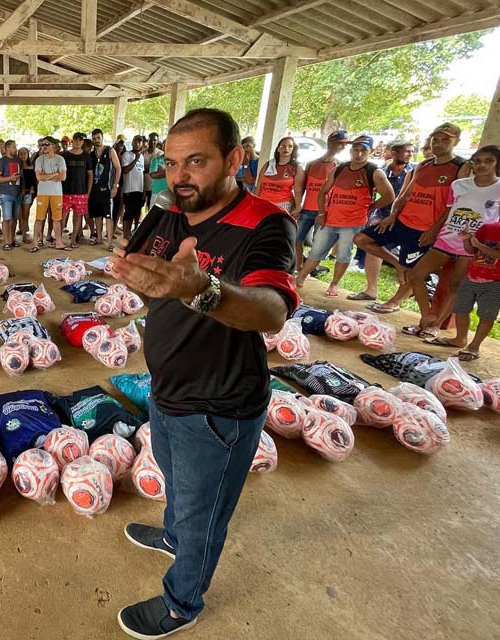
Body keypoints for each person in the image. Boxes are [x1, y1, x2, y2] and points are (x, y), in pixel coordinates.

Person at [109, 108, 298, 639]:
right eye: (171, 163)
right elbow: (154, 286)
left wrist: (201, 289)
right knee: (178, 486)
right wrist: (144, 278)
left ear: (234, 158)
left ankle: (181, 605)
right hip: (166, 389)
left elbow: (271, 310)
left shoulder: (266, 222)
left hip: (219, 404)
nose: (180, 176)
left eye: (196, 161)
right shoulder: (169, 213)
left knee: (203, 516)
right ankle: (173, 536)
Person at [353, 123, 467, 316]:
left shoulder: (461, 167)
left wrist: (434, 230)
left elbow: (457, 204)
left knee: (414, 271)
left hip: (426, 229)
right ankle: (397, 263)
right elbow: (405, 195)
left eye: (445, 139)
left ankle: (395, 301)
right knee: (361, 239)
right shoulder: (423, 165)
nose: (438, 144)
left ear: (456, 141)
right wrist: (392, 215)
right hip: (403, 221)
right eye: (435, 139)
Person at [401, 145, 500, 339]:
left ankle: (435, 325)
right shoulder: (459, 185)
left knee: (456, 286)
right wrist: (434, 230)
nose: (482, 165)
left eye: (488, 161)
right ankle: (426, 316)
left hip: (473, 246)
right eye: (478, 161)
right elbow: (449, 210)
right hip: (446, 239)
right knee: (415, 275)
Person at [295, 136, 394, 297]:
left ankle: (334, 284)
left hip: (353, 223)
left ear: (370, 151)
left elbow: (389, 196)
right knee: (316, 251)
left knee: (343, 254)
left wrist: (371, 206)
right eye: (356, 149)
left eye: (363, 150)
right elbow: (323, 192)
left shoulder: (374, 172)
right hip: (330, 219)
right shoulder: (340, 169)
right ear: (351, 150)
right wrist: (321, 212)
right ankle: (300, 278)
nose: (359, 154)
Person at [349, 139, 416, 294]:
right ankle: (371, 289)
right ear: (393, 153)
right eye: (407, 151)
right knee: (372, 241)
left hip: (408, 219)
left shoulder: (415, 172)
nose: (410, 154)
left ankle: (401, 293)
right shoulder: (380, 172)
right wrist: (372, 210)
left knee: (411, 258)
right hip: (383, 216)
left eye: (412, 151)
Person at [435, 219, 500, 360]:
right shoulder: (488, 227)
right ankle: (460, 339)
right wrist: (466, 240)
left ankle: (474, 346)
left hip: (495, 282)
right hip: (472, 275)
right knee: (461, 309)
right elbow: (471, 250)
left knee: (487, 315)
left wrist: (478, 245)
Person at [293, 130, 347, 262]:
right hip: (307, 209)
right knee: (296, 239)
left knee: (318, 245)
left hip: (324, 211)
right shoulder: (312, 163)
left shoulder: (339, 166)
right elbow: (302, 187)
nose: (342, 147)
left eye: (344, 144)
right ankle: (298, 265)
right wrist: (298, 205)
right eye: (339, 143)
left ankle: (310, 268)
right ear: (330, 143)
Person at [31, 137, 68, 252]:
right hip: (42, 193)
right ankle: (35, 243)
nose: (44, 146)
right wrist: (54, 174)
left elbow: (63, 177)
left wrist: (46, 176)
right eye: (42, 145)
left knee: (57, 219)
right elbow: (39, 177)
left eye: (46, 144)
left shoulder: (60, 159)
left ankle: (58, 242)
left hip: (57, 194)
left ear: (54, 145)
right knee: (39, 218)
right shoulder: (39, 160)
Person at [89, 128, 122, 251]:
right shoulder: (91, 154)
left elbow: (118, 168)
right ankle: (98, 238)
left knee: (108, 216)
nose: (96, 140)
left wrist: (115, 185)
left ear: (102, 137)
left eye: (98, 138)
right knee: (97, 215)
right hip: (94, 190)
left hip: (107, 189)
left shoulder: (110, 150)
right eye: (94, 138)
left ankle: (109, 242)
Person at [255, 136, 304, 216]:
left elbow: (298, 191)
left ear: (293, 149)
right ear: (278, 148)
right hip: (263, 202)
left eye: (290, 146)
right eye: (283, 146)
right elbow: (259, 186)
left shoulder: (296, 167)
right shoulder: (268, 165)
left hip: (283, 204)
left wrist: (298, 207)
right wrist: (255, 201)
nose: (286, 148)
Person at [61, 132, 93, 248]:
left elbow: (90, 175)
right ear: (72, 141)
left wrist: (88, 192)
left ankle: (73, 240)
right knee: (62, 216)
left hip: (81, 192)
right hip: (65, 192)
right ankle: (59, 240)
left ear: (83, 142)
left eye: (80, 140)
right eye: (76, 140)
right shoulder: (64, 156)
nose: (78, 142)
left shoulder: (86, 156)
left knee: (78, 216)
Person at [0, 140, 23, 250]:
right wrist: (10, 178)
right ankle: (6, 242)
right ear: (6, 149)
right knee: (7, 218)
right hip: (6, 193)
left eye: (15, 146)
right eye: (13, 147)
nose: (15, 148)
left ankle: (12, 239)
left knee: (15, 218)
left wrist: (23, 189)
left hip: (17, 193)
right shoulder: (1, 162)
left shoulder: (18, 160)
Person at [120, 135, 146, 242]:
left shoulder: (142, 157)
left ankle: (130, 233)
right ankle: (125, 234)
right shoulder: (127, 154)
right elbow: (125, 170)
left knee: (136, 212)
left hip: (139, 189)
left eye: (140, 142)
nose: (138, 144)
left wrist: (143, 190)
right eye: (136, 141)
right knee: (128, 212)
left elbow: (141, 173)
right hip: (129, 189)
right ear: (132, 142)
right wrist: (135, 160)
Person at [18, 146, 36, 244]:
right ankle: (21, 231)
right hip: (17, 193)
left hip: (28, 193)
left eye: (25, 153)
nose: (23, 155)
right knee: (19, 215)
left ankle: (24, 235)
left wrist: (32, 189)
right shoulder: (16, 166)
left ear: (28, 154)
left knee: (25, 215)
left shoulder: (31, 166)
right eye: (21, 153)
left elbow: (34, 181)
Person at [143, 132, 163, 208]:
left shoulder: (160, 154)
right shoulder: (143, 152)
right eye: (150, 140)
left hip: (153, 186)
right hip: (142, 185)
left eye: (155, 140)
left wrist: (148, 169)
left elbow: (157, 170)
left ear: (158, 141)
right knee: (139, 206)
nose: (152, 142)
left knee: (151, 207)